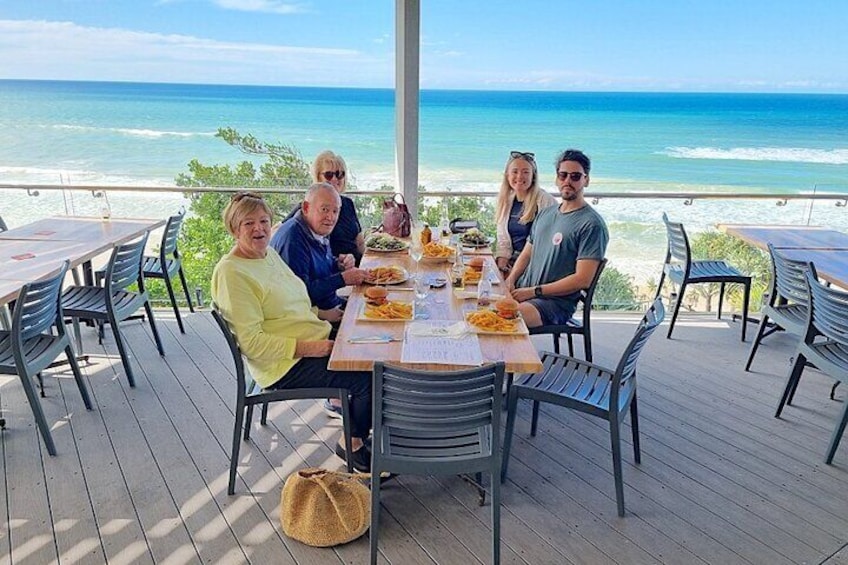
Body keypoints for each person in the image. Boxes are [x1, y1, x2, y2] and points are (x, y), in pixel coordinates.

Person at [211, 191, 373, 472]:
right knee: (369, 372)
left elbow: (293, 301)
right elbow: (253, 343)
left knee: (369, 330)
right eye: (249, 223)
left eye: (263, 221)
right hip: (285, 364)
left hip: (311, 334)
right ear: (234, 228)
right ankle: (352, 443)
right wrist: (319, 348)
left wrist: (325, 314)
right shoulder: (232, 273)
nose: (259, 228)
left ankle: (374, 422)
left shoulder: (267, 254)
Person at [505, 149, 608, 329]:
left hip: (553, 304)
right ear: (557, 178)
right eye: (563, 175)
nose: (568, 181)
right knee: (476, 305)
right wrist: (511, 279)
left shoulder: (591, 225)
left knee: (504, 320)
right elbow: (527, 253)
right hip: (523, 291)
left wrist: (533, 292)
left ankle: (515, 357)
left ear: (587, 180)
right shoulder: (546, 213)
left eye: (575, 176)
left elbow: (582, 279)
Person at [270, 182, 370, 324]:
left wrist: (338, 264)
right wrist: (342, 279)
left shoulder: (316, 228)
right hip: (313, 320)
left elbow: (317, 269)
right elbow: (300, 294)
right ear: (306, 207)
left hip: (331, 303)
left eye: (335, 211)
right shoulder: (293, 239)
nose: (330, 217)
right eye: (324, 209)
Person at [494, 151, 556, 274]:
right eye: (515, 171)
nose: (519, 177)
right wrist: (501, 267)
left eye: (526, 172)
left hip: (536, 267)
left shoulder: (545, 201)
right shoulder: (506, 201)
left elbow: (549, 243)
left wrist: (515, 273)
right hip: (512, 263)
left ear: (533, 176)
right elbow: (503, 242)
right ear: (507, 175)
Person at [312, 150, 366, 265]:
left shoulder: (348, 204)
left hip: (358, 266)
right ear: (318, 177)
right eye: (329, 175)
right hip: (335, 270)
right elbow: (280, 230)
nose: (335, 179)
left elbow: (360, 243)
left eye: (339, 174)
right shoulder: (310, 208)